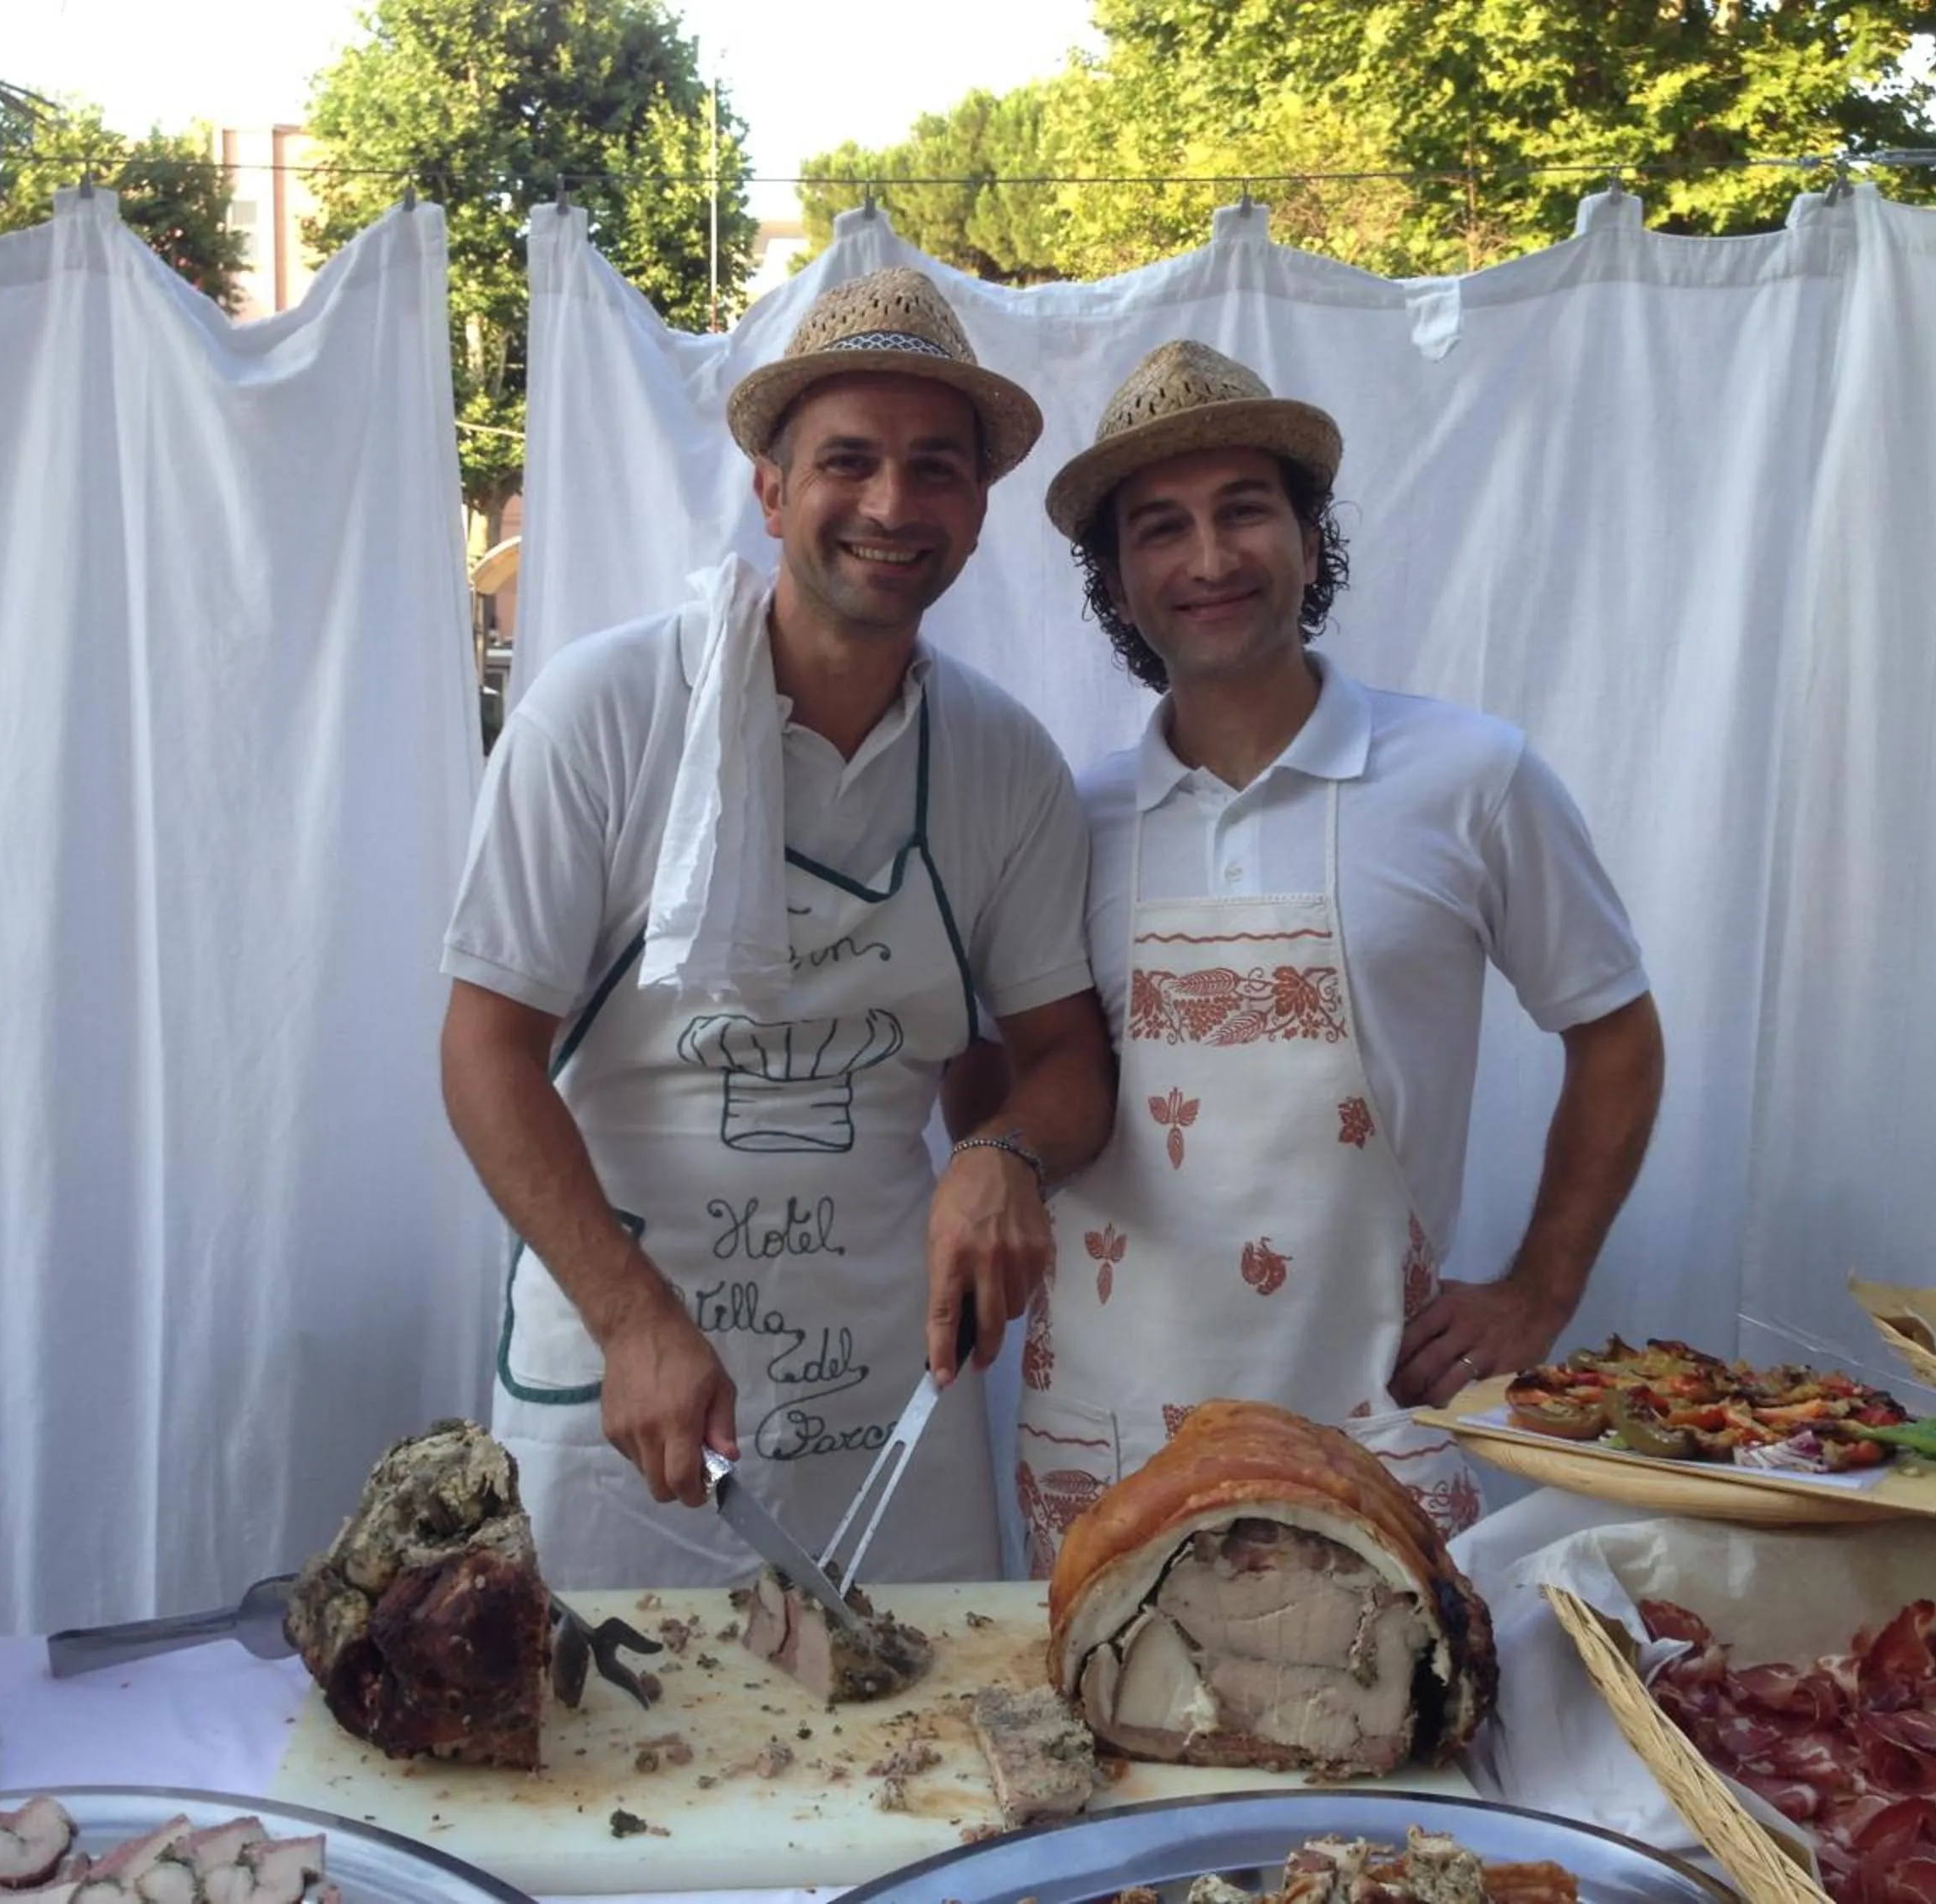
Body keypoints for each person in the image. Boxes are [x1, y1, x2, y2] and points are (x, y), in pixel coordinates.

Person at [438, 268, 1115, 1588]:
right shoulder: (606, 712)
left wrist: (1005, 1149)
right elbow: (483, 1054)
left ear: (977, 509)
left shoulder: (1003, 763)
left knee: (915, 1775)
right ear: (770, 488)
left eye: (935, 469)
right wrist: (633, 1319)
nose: (890, 505)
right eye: (847, 461)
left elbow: (1069, 1059)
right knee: (610, 1768)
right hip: (630, 1394)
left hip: (887, 1400)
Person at [1004, 340, 1664, 1564]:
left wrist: (1541, 1285)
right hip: (1105, 1444)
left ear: (1311, 541)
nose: (1208, 559)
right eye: (1160, 529)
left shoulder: (1472, 780)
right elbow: (1018, 1075)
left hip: (1370, 1428)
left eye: (1244, 511)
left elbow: (1615, 1030)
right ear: (1117, 581)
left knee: (1378, 1751)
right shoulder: (1068, 816)